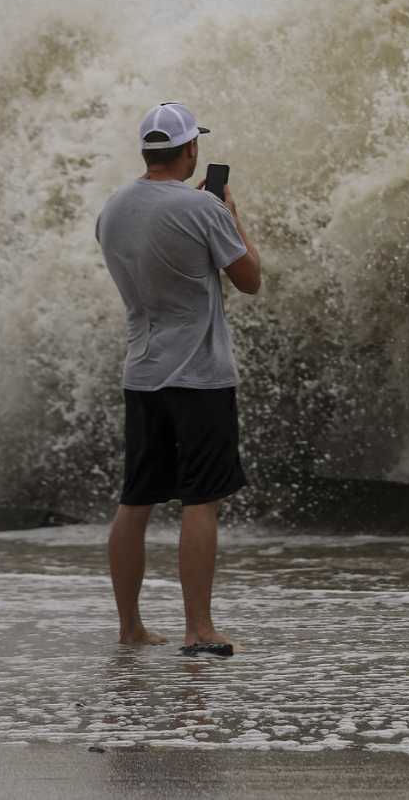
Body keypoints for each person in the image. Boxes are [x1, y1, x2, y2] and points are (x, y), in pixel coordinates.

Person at [95, 102, 261, 657]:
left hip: (141, 373)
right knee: (201, 500)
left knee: (135, 500)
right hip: (201, 376)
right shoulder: (202, 208)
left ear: (147, 150)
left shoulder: (112, 210)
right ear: (190, 150)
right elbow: (250, 280)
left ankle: (130, 628)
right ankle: (198, 629)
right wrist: (230, 213)